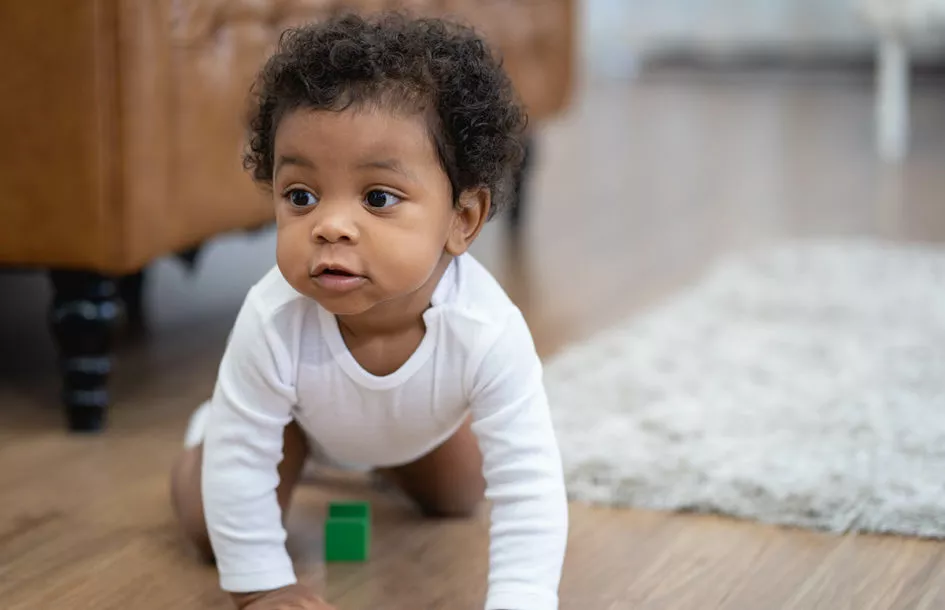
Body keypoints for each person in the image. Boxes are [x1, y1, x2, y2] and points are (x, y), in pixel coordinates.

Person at [169, 11, 569, 610]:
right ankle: (212, 426)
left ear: (462, 220)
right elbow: (242, 467)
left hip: (419, 425)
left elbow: (531, 485)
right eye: (300, 196)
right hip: (294, 423)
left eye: (378, 197)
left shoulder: (487, 330)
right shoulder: (272, 320)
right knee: (210, 520)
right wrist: (262, 590)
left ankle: (385, 456)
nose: (329, 225)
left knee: (462, 494)